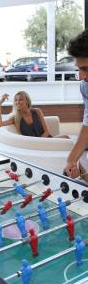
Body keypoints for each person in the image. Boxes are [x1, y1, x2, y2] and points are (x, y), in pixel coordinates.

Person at [64, 30, 88, 179]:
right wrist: (71, 160)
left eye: (86, 69)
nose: (81, 76)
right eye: (79, 69)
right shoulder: (85, 86)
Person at [0, 91, 69, 138]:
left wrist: (40, 141)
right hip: (32, 145)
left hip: (46, 140)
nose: (17, 102)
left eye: (20, 99)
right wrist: (0, 104)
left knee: (66, 137)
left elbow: (46, 132)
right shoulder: (15, 118)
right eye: (16, 100)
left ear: (27, 101)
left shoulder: (37, 111)